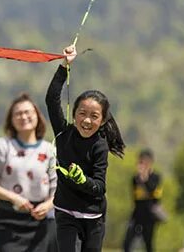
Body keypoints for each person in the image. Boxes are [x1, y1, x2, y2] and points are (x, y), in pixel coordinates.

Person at [46, 46, 125, 252]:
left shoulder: (100, 146)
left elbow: (100, 187)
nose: (87, 120)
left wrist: (82, 180)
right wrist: (65, 65)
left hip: (93, 216)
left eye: (94, 116)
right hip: (65, 211)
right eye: (82, 113)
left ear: (102, 120)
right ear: (74, 114)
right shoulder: (63, 134)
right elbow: (51, 98)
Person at [0, 93, 58, 251]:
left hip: (41, 222)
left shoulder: (50, 150)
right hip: (8, 220)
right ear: (11, 120)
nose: (23, 116)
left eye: (28, 112)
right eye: (18, 113)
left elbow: (59, 188)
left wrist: (48, 205)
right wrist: (15, 198)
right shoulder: (3, 146)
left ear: (37, 116)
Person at [122, 149, 164, 252]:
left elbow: (155, 196)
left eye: (143, 163)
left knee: (148, 242)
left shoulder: (156, 177)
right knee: (127, 242)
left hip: (150, 216)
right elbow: (135, 198)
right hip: (137, 215)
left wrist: (145, 179)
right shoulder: (135, 179)